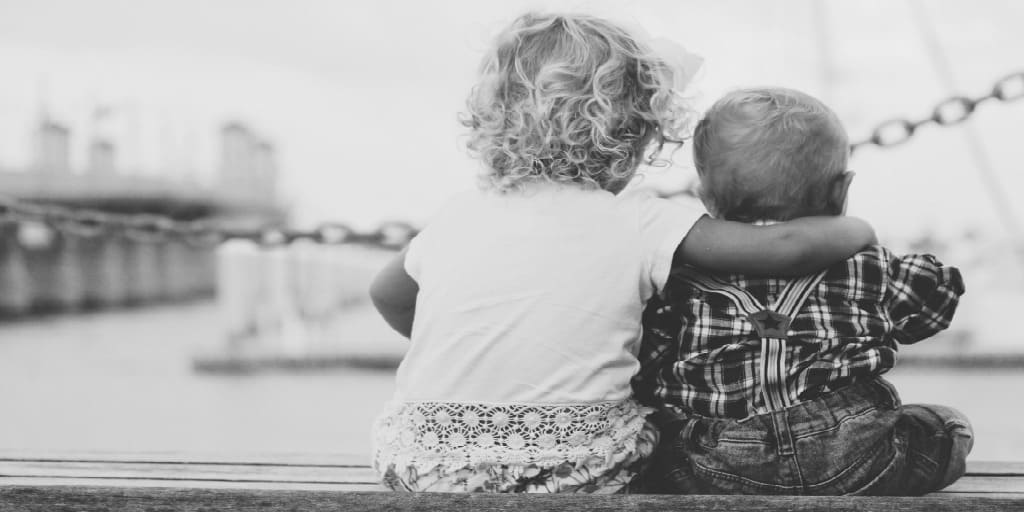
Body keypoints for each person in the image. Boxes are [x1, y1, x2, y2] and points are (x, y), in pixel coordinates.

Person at [368, 14, 876, 493]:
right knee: (674, 428)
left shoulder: (458, 214)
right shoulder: (639, 220)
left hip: (420, 464)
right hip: (572, 469)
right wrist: (855, 228)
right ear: (633, 136)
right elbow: (781, 247)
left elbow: (386, 294)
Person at [634, 87, 971, 496]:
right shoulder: (869, 268)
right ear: (840, 192)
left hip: (721, 466)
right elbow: (933, 308)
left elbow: (649, 368)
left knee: (662, 451)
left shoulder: (679, 284)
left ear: (706, 198)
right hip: (860, 458)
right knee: (947, 426)